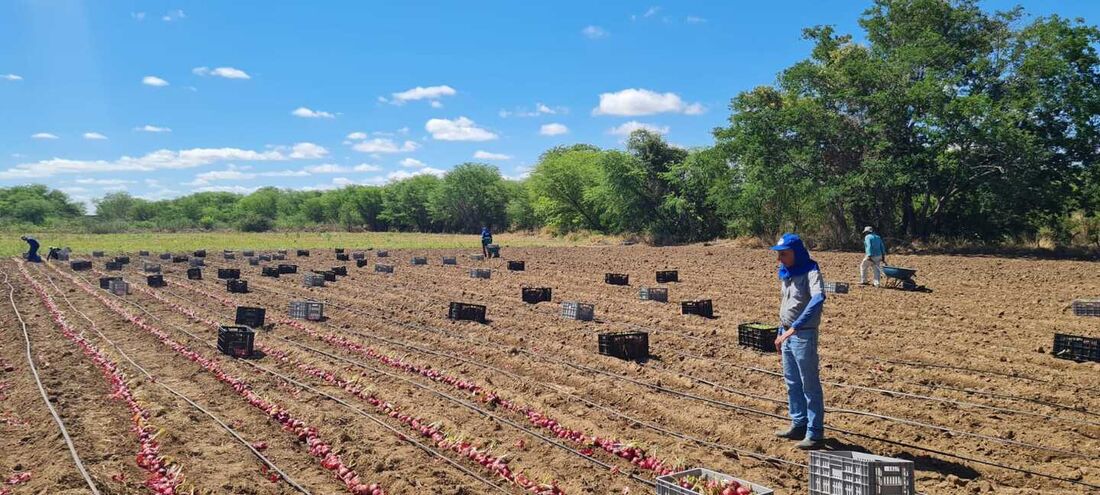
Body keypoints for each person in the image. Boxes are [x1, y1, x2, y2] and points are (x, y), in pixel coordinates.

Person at [770, 233, 826, 450]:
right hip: (786, 334)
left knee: (809, 384)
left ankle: (815, 432)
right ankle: (799, 424)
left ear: (796, 253)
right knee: (792, 382)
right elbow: (786, 304)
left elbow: (818, 298)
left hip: (803, 335)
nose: (780, 259)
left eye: (784, 254)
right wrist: (781, 331)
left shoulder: (811, 271)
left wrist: (794, 328)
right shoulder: (786, 273)